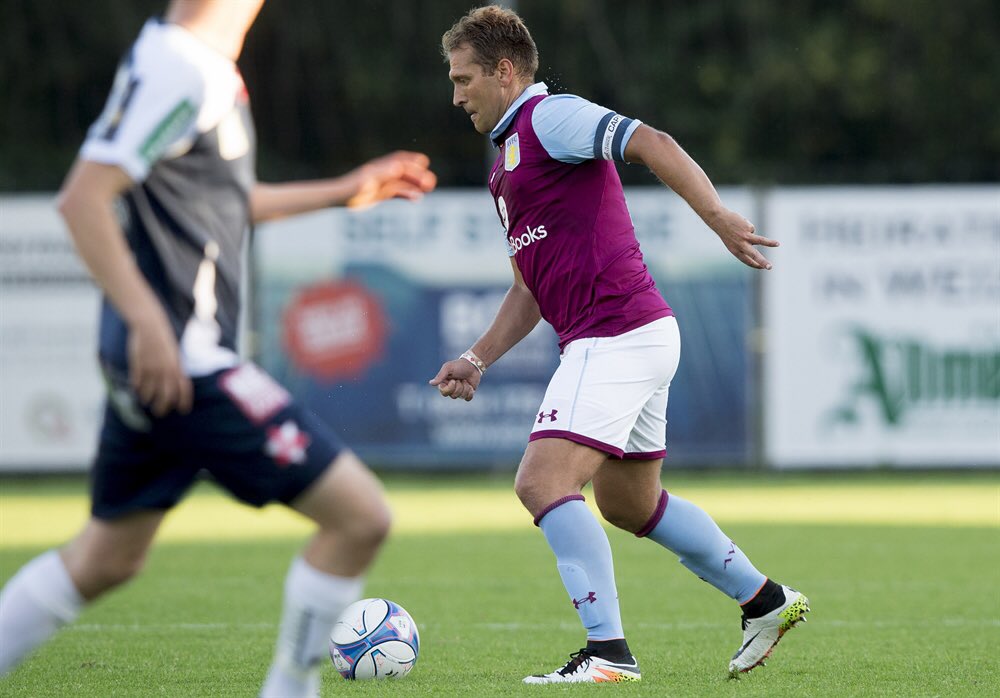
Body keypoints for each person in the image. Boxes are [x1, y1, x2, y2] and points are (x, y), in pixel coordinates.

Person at [0, 1, 436, 696]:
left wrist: (344, 192)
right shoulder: (181, 67)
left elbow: (225, 202)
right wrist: (149, 322)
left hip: (157, 358)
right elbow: (82, 199)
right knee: (361, 517)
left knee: (106, 557)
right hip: (183, 360)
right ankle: (290, 687)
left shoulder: (196, 66)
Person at [431, 5, 808, 685]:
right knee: (629, 504)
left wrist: (719, 218)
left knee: (542, 481)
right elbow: (529, 291)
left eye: (464, 79)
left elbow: (653, 141)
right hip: (632, 336)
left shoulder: (551, 118)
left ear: (505, 71)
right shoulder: (504, 172)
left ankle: (608, 654)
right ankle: (765, 600)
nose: (456, 95)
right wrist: (476, 358)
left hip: (617, 334)